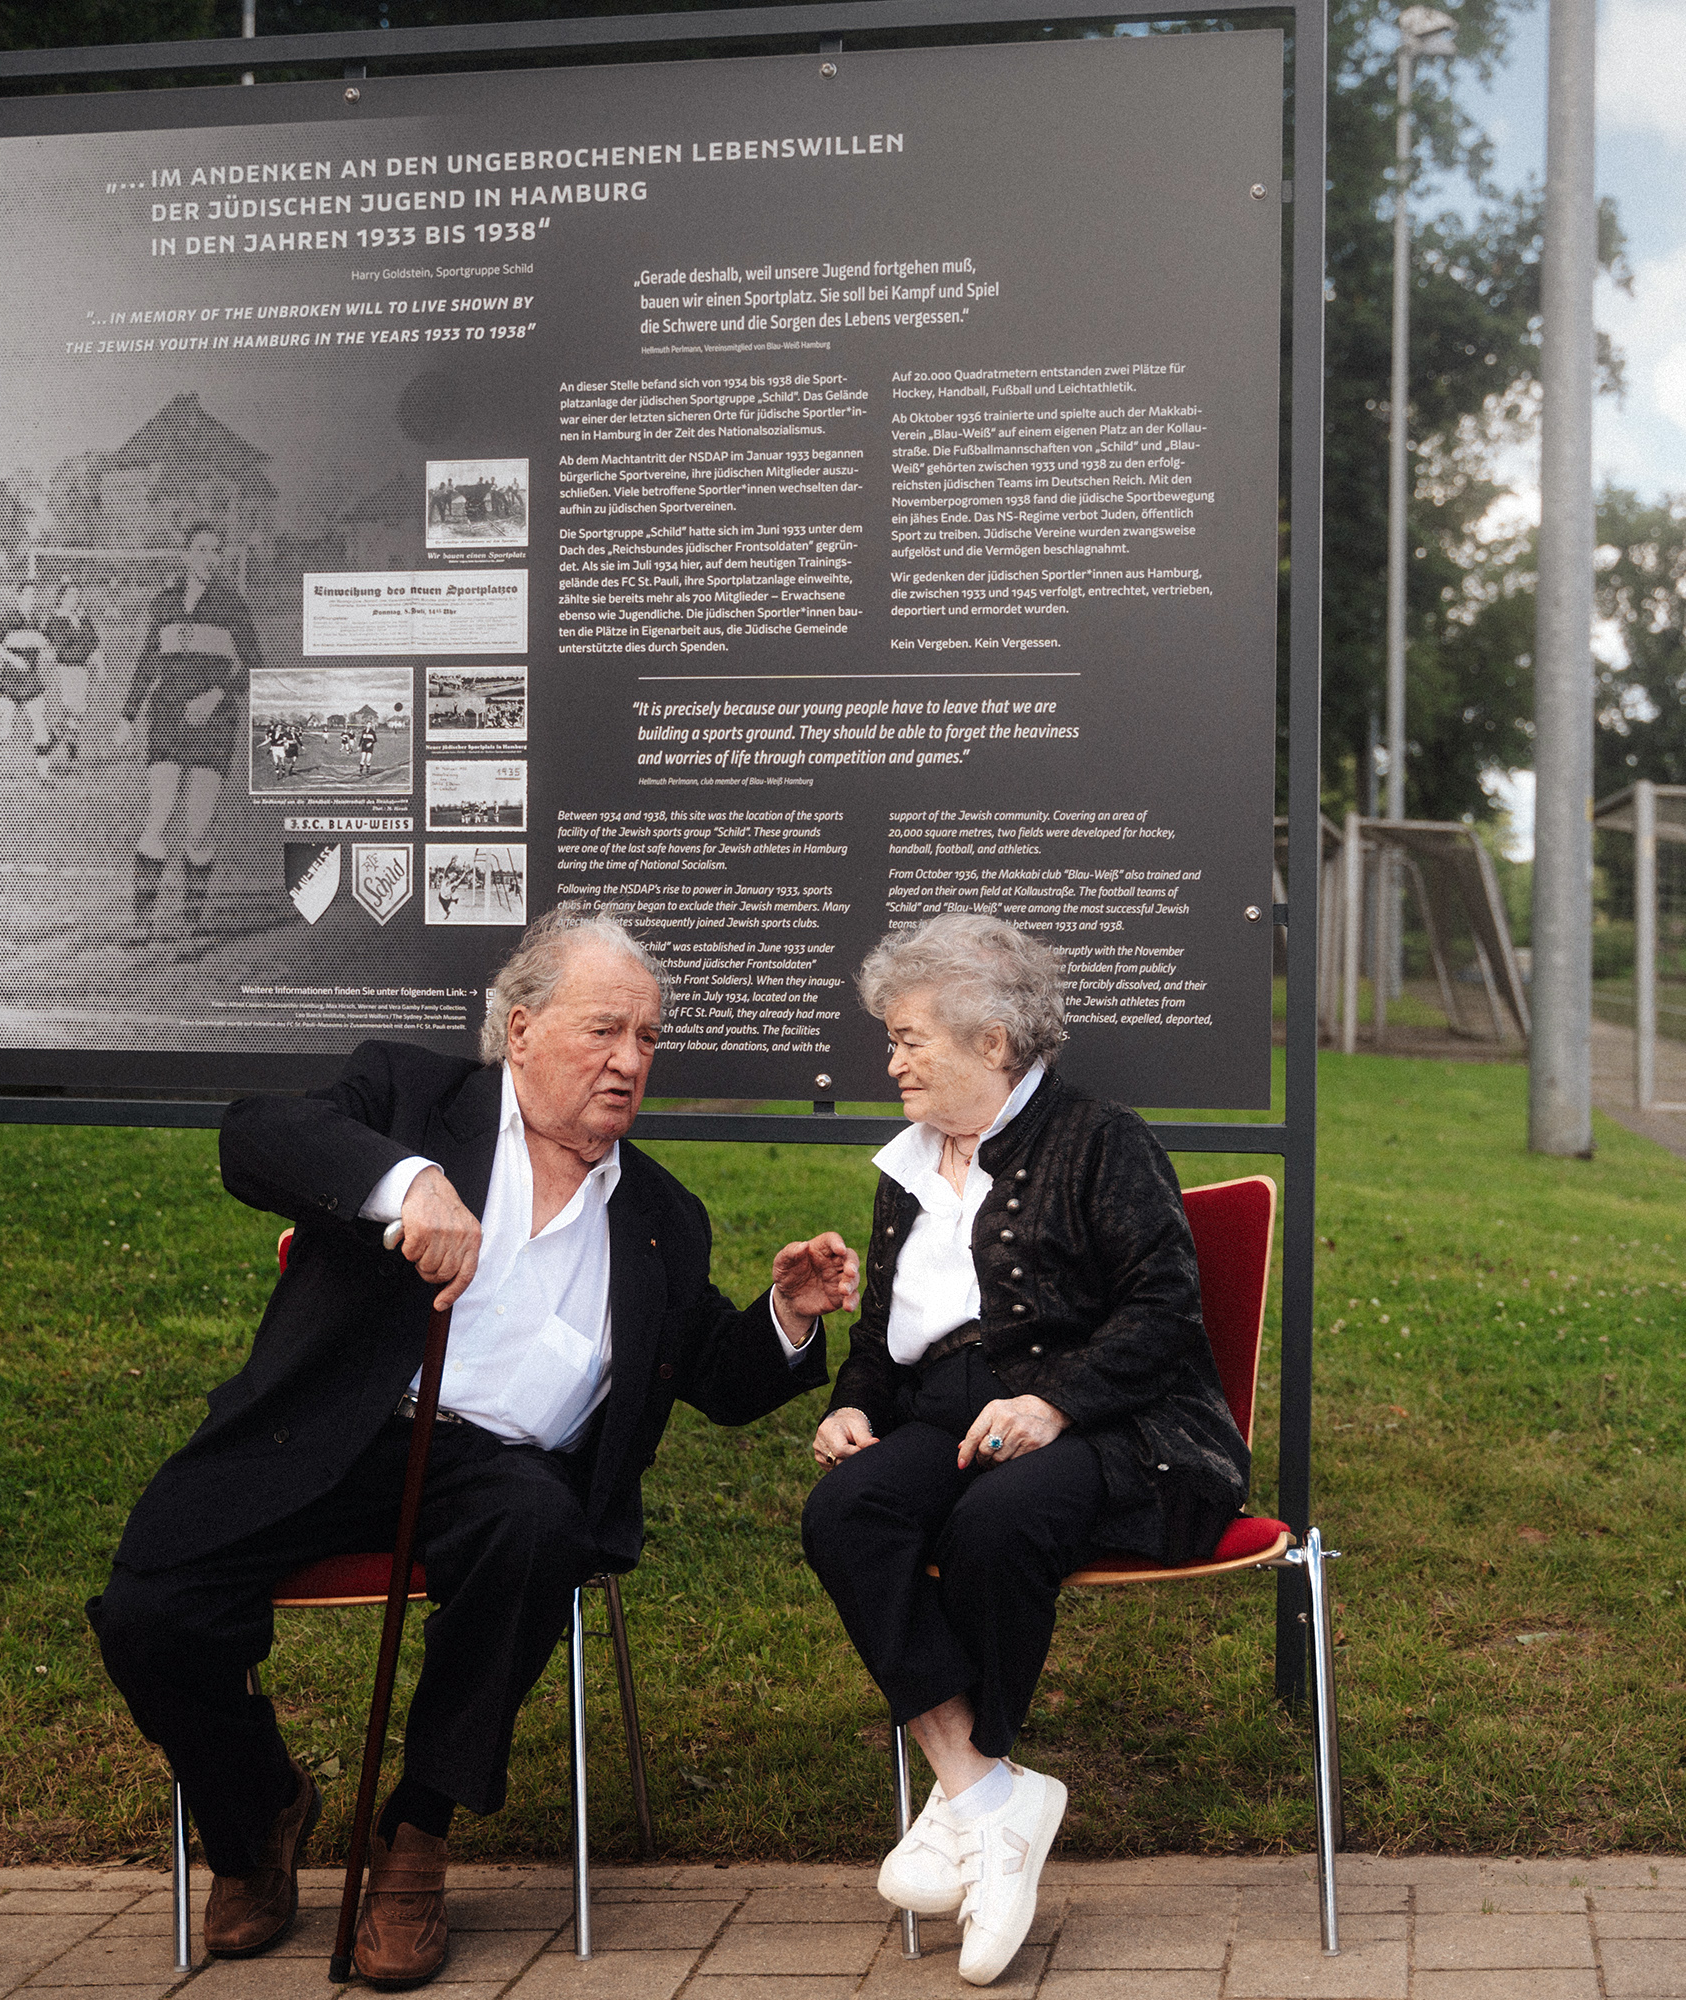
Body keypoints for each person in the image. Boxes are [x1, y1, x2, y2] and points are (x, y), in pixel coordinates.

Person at [88, 908, 859, 1987]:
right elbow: (253, 1136)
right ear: (522, 1027)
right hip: (328, 1433)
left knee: (537, 1521)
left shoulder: (661, 1215)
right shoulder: (407, 1095)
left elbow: (712, 1381)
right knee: (150, 1612)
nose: (630, 1060)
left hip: (500, 1476)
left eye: (646, 1038)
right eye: (605, 1031)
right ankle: (257, 1809)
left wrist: (786, 1316)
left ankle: (417, 1836)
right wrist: (406, 1184)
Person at [799, 911, 1249, 1988]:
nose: (892, 1058)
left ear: (993, 1042)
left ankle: (975, 1808)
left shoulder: (1103, 1140)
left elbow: (1166, 1313)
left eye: (910, 1037)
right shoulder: (907, 1168)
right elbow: (881, 1339)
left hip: (1118, 1422)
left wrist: (1056, 1398)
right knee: (845, 1509)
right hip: (940, 1413)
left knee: (995, 1519)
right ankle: (988, 1794)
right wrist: (853, 1403)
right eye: (893, 1037)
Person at [118, 523, 258, 939]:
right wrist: (127, 716)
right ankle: (142, 921)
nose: (210, 558)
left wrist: (216, 696)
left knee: (197, 824)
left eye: (216, 551)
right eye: (201, 550)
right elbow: (148, 661)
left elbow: (255, 666)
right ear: (185, 554)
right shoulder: (162, 603)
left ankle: (192, 917)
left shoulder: (232, 604)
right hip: (165, 717)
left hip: (214, 723)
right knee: (158, 814)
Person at [0, 581, 57, 781]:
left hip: (31, 680)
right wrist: (14, 659)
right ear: (19, 597)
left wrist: (48, 653)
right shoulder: (10, 617)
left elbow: (45, 645)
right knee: (5, 730)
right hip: (10, 680)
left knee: (40, 725)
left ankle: (44, 774)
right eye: (27, 595)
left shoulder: (37, 620)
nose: (31, 599)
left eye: (34, 595)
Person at [46, 578, 102, 764]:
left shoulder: (80, 617)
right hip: (65, 669)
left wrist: (99, 664)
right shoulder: (56, 619)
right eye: (70, 595)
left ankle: (63, 736)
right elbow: (62, 648)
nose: (74, 598)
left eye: (76, 595)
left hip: (82, 670)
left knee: (78, 709)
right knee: (72, 706)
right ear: (61, 597)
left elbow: (93, 642)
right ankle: (65, 739)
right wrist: (82, 643)